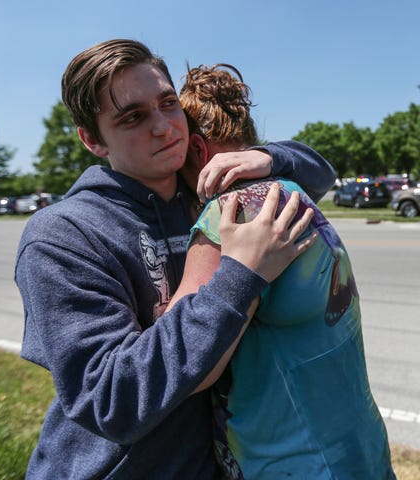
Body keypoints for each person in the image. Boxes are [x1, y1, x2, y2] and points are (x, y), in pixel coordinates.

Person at [14, 39, 336, 479]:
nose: (165, 127)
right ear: (92, 140)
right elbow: (112, 400)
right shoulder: (62, 235)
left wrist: (265, 156)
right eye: (133, 117)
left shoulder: (200, 195)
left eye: (168, 104)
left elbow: (319, 173)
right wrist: (241, 275)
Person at [169, 63, 396, 479]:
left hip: (289, 464)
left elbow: (183, 362)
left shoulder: (228, 215)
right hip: (360, 450)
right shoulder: (292, 191)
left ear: (199, 151)